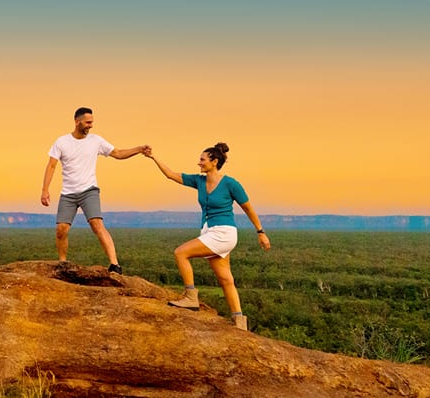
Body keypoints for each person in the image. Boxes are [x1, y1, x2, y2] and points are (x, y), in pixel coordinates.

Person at [146, 142, 271, 330]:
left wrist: (260, 232)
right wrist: (153, 157)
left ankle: (190, 296)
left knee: (181, 253)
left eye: (202, 160)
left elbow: (247, 207)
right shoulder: (199, 181)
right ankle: (239, 321)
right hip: (209, 231)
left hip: (223, 233)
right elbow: (171, 175)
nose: (199, 163)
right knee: (225, 279)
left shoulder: (230, 183)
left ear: (214, 161)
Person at [41, 107, 149, 273]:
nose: (91, 125)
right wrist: (45, 190)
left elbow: (118, 153)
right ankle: (62, 263)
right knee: (61, 229)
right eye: (88, 122)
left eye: (92, 122)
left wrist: (139, 149)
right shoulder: (61, 142)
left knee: (96, 224)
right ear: (77, 122)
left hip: (89, 190)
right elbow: (51, 166)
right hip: (68, 193)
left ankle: (115, 265)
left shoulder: (96, 141)